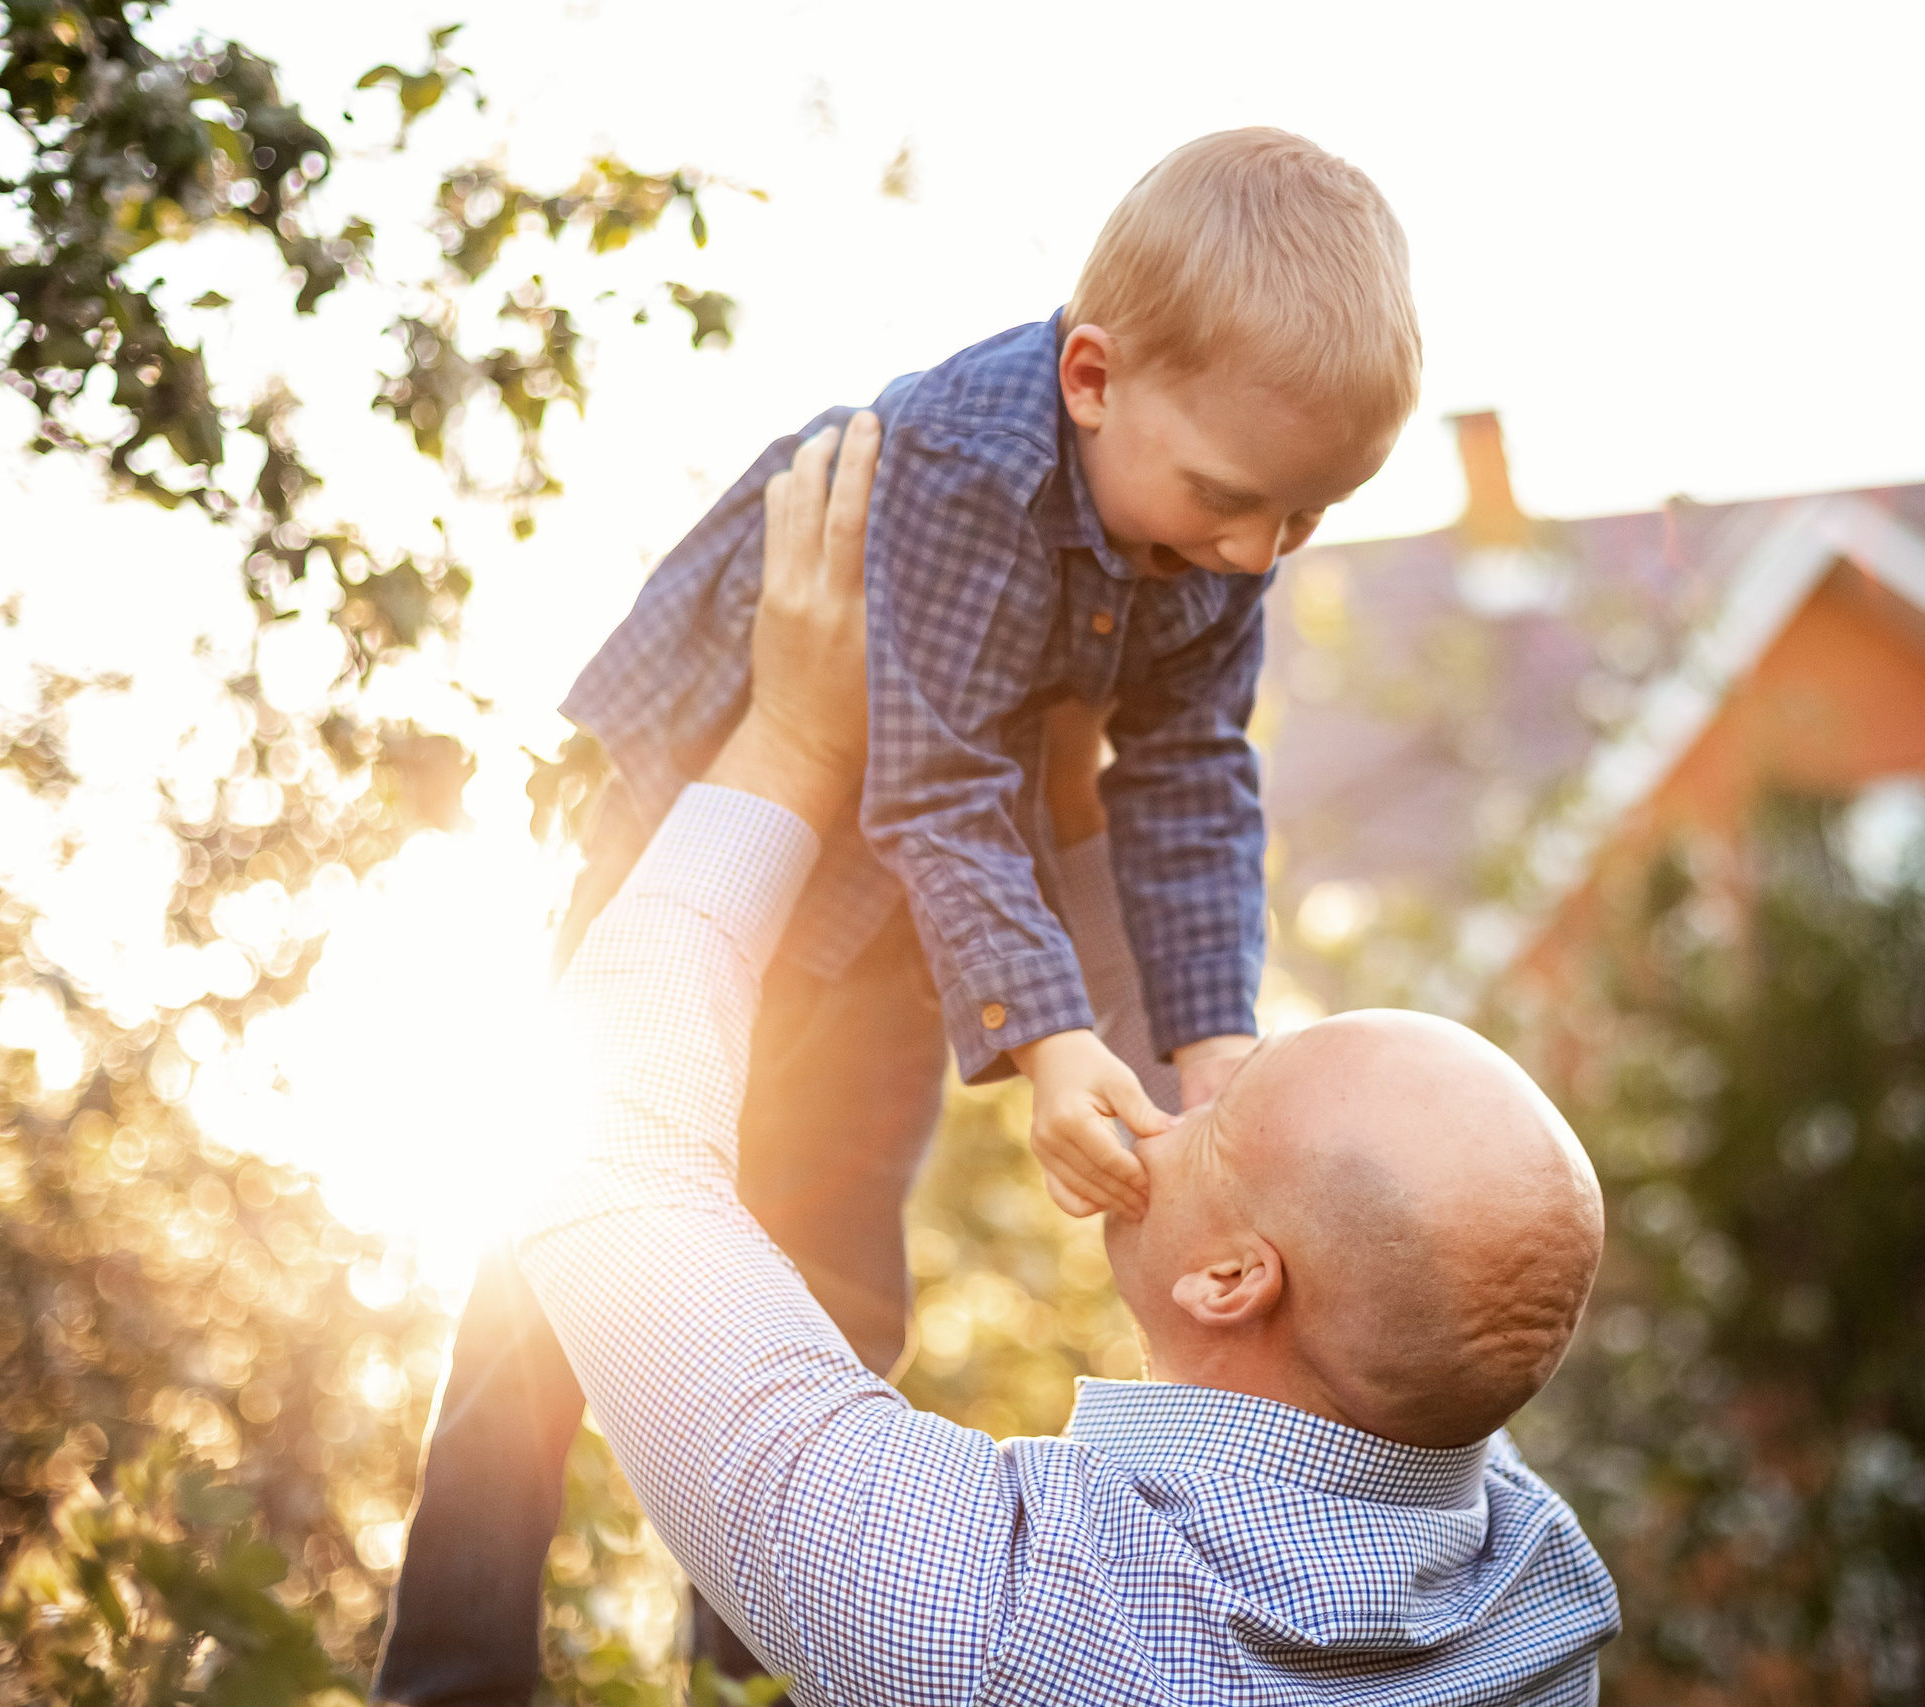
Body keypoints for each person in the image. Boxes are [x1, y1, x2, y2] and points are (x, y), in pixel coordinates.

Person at [378, 127, 1420, 1698]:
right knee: (556, 1250)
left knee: (841, 1270)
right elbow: (932, 780)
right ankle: (452, 1671)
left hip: (887, 925)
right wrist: (1054, 1037)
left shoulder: (1216, 506)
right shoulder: (960, 464)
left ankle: (761, 1659)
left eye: (1303, 520)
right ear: (1091, 378)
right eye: (1233, 501)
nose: (1255, 553)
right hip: (715, 844)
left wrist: (1212, 1047)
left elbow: (1192, 773)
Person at [515, 411, 1619, 1704]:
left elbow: (611, 1156)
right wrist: (1070, 784)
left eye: (1233, 1097)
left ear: (1230, 1280)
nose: (1185, 1078)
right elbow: (1371, 1257)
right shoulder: (1532, 1595)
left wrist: (797, 739)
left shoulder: (988, 1612)